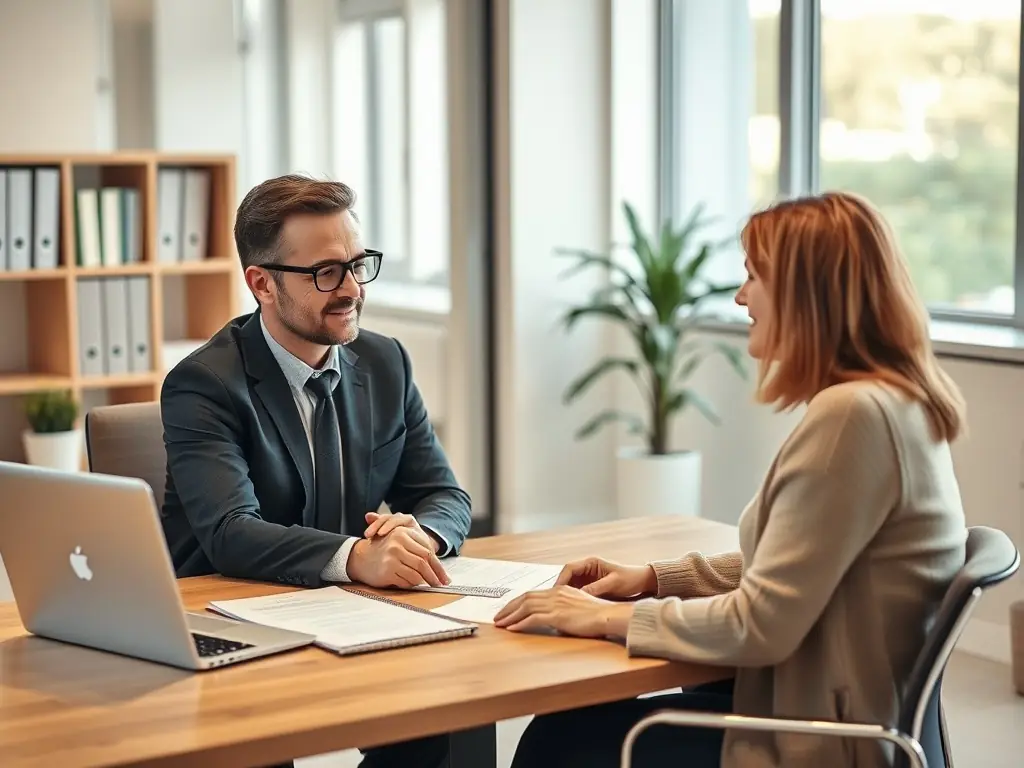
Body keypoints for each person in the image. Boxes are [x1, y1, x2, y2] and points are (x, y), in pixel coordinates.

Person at [496, 191, 968, 768]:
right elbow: (793, 565)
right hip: (834, 713)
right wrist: (652, 578)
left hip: (820, 744)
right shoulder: (895, 402)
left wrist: (601, 616)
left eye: (753, 277)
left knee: (558, 744)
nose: (741, 296)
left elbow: (760, 624)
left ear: (805, 292)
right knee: (578, 722)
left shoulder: (854, 416)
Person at [160, 174, 472, 768]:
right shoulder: (204, 384)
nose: (352, 289)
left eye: (357, 265)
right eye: (326, 272)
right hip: (231, 630)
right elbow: (229, 531)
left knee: (442, 715)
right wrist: (358, 556)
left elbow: (443, 493)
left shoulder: (385, 361)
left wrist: (419, 538)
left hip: (347, 614)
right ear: (263, 284)